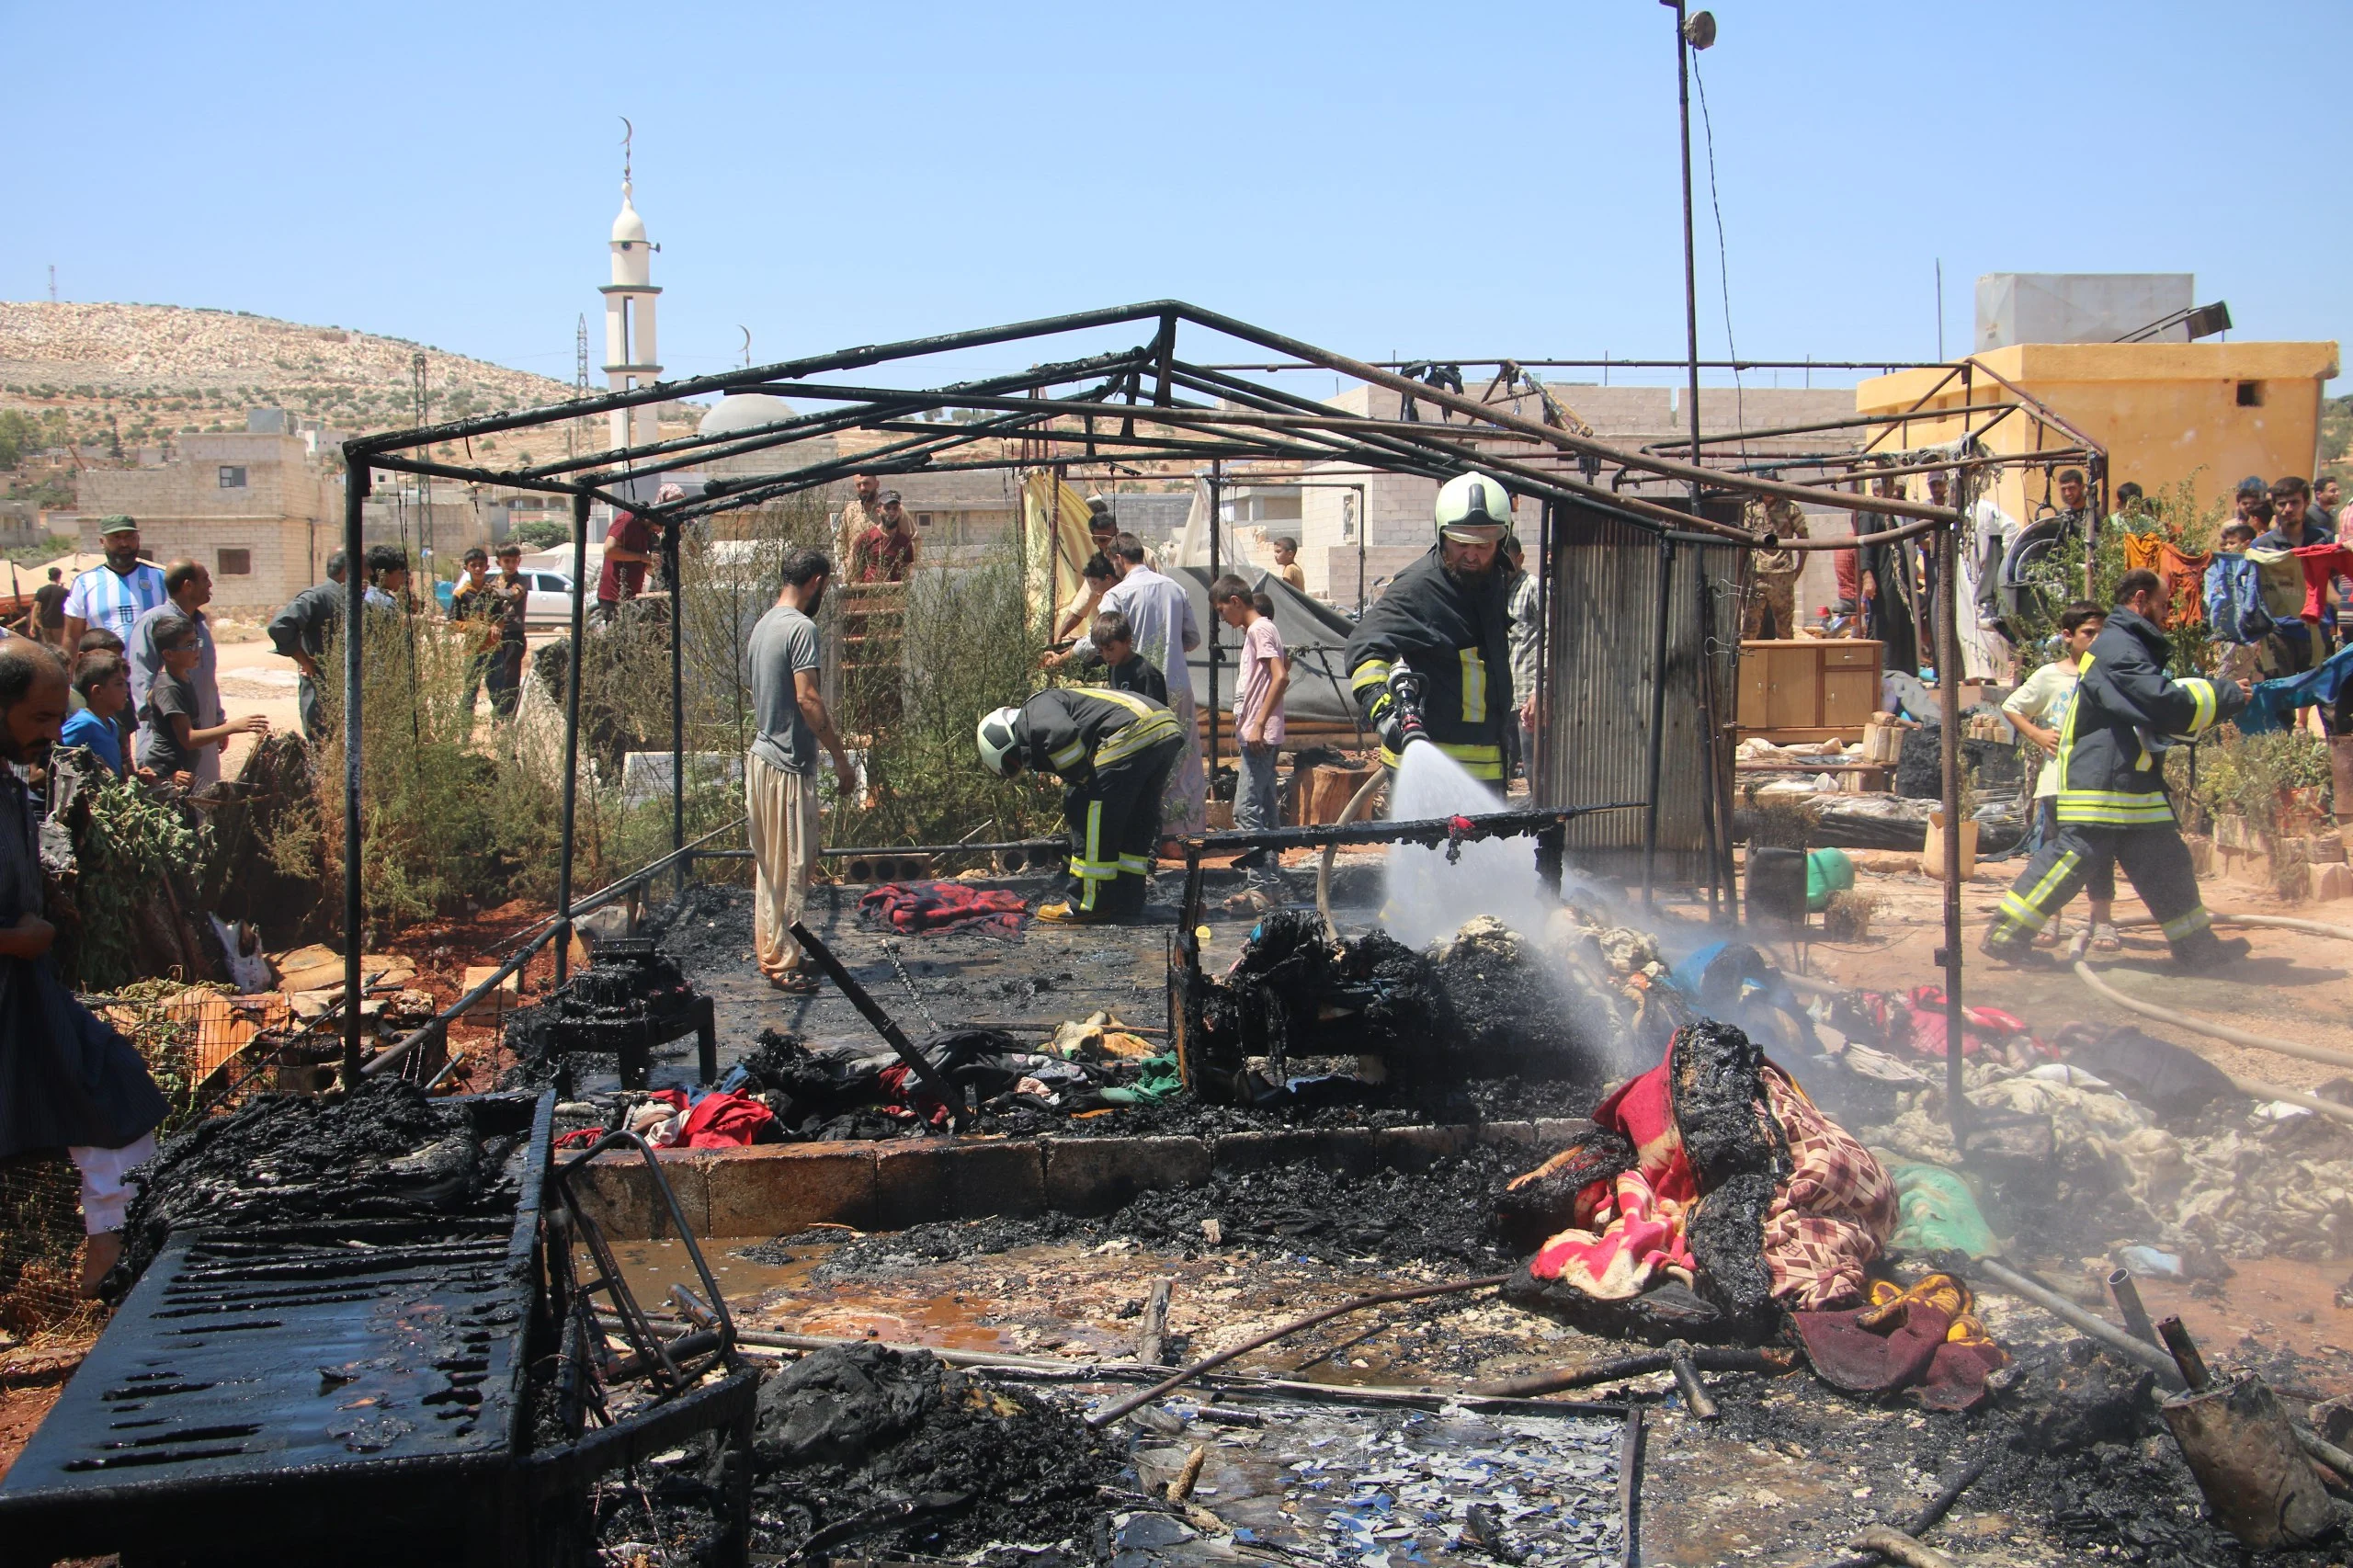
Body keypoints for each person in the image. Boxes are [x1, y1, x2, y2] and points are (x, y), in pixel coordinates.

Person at [0, 642, 172, 1294]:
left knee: (115, 1086)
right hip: (13, 973)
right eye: (39, 719)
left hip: (25, 988)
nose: (51, 734)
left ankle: (107, 1258)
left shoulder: (12, 775)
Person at [1982, 570, 2250, 973]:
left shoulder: (2124, 644)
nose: (2168, 613)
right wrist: (2225, 694)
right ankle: (2006, 936)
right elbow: (2156, 699)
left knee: (2164, 861)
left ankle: (2198, 950)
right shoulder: (2119, 648)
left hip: (2128, 776)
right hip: (2104, 780)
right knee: (2075, 857)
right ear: (2140, 600)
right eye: (2162, 604)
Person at [1345, 472, 1515, 783]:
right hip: (1430, 766)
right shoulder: (1417, 588)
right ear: (1441, 534)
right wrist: (1385, 713)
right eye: (1461, 543)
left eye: (1484, 545)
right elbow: (1362, 647)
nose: (1473, 555)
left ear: (1502, 540)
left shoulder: (1492, 582)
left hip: (1488, 762)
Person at [745, 549, 858, 994]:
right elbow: (808, 699)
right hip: (787, 766)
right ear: (815, 581)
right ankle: (781, 963)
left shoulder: (763, 625)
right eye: (824, 587)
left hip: (762, 759)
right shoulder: (800, 627)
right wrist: (840, 755)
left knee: (773, 865)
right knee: (794, 863)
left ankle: (779, 949)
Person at [975, 686, 1186, 923]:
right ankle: (1128, 900)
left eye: (1015, 759)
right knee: (1137, 819)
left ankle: (1085, 904)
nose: (1023, 764)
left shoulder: (1031, 710)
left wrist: (1081, 780)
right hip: (1165, 727)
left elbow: (1061, 734)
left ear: (1003, 737)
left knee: (1090, 812)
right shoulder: (1058, 702)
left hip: (1132, 730)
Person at [1061, 535, 1205, 835]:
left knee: (1142, 760)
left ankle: (1147, 834)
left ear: (1117, 559)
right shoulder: (1174, 588)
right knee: (1184, 757)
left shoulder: (1117, 595)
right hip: (1177, 684)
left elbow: (1096, 641)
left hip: (1137, 692)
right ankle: (1184, 832)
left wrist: (1064, 656)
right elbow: (1192, 639)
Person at [2002, 602, 2119, 953]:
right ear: (2067, 636)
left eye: (2102, 633)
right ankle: (2050, 917)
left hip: (2098, 784)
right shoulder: (2051, 676)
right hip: (2059, 782)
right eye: (2088, 633)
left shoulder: (2111, 673)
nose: (2096, 640)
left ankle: (2102, 921)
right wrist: (2036, 734)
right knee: (2056, 853)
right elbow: (2012, 706)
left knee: (2098, 853)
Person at [1214, 574, 1290, 911]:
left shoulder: (1260, 630)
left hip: (1260, 735)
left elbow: (1281, 675)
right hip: (1257, 733)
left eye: (1221, 612)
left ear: (1235, 601)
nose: (1223, 621)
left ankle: (1260, 885)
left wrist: (1258, 723)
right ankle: (1268, 888)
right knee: (1265, 811)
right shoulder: (1258, 632)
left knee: (1244, 811)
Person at [127, 561, 227, 788]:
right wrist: (165, 732)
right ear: (188, 586)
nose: (210, 584)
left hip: (201, 738)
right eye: (205, 579)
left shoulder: (200, 626)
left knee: (204, 803)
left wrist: (218, 721)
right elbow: (141, 680)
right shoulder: (153, 622)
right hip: (171, 743)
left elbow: (208, 681)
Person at [136, 615, 267, 788]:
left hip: (181, 771)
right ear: (168, 654)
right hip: (166, 773)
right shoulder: (170, 687)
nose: (196, 650)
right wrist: (233, 727)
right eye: (189, 645)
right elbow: (188, 739)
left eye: (196, 642)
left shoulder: (181, 677)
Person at [266, 551, 347, 741]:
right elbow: (280, 626)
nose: (369, 572)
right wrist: (305, 661)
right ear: (347, 569)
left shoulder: (351, 597)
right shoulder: (317, 597)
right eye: (365, 567)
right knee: (324, 753)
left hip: (342, 695)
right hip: (323, 694)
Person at [2258, 476, 2339, 667]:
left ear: (2306, 503)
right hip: (2279, 633)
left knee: (2317, 694)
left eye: (2294, 503)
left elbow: (2330, 585)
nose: (2287, 509)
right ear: (2274, 507)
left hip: (2318, 631)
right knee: (2281, 693)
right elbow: (2257, 594)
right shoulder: (2263, 546)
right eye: (2281, 504)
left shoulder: (2322, 539)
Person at [61, 516, 167, 649]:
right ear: (102, 542)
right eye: (116, 538)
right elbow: (72, 636)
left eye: (130, 537)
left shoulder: (160, 578)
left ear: (138, 540)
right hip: (105, 667)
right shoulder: (84, 583)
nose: (124, 544)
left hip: (152, 668)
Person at [1502, 535, 1541, 780]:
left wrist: (1539, 690)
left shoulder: (1532, 588)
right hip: (1506, 699)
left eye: (1508, 561)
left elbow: (1551, 637)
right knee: (1501, 770)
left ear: (1520, 559)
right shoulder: (1500, 590)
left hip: (1527, 700)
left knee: (1534, 770)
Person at [1742, 498, 1809, 641]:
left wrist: (1799, 569)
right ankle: (1747, 662)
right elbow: (1743, 540)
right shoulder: (1752, 507)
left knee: (1785, 628)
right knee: (1749, 627)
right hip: (1757, 575)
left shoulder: (1790, 508)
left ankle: (1786, 662)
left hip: (1782, 575)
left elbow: (1804, 540)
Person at [448, 547, 503, 719]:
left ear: (487, 567)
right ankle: (465, 730)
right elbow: (453, 622)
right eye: (474, 565)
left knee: (497, 690)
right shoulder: (461, 594)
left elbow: (501, 616)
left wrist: (497, 625)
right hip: (473, 650)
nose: (478, 569)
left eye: (481, 565)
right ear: (467, 568)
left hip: (494, 649)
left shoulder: (492, 593)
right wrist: (473, 627)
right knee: (470, 691)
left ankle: (499, 727)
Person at [60, 652, 132, 778]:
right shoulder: (83, 723)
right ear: (98, 691)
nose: (126, 689)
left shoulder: (111, 724)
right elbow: (56, 755)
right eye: (119, 684)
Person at [485, 542, 531, 722]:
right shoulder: (494, 582)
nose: (510, 565)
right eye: (507, 561)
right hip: (497, 635)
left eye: (514, 561)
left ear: (519, 561)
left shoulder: (521, 580)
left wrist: (493, 591)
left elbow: (514, 595)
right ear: (499, 562)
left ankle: (508, 716)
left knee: (511, 676)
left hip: (514, 634)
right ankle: (498, 714)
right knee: (495, 675)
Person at [1085, 608, 1167, 704]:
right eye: (1100, 650)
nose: (1106, 656)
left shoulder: (1146, 673)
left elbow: (1157, 712)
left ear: (1127, 641)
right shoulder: (1114, 667)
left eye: (1110, 649)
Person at [594, 506, 658, 622]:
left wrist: (652, 565)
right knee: (618, 635)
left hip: (631, 596)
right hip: (614, 595)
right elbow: (609, 550)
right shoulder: (628, 520)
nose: (659, 531)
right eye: (659, 526)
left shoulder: (645, 531)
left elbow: (637, 562)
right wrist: (643, 557)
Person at [851, 491, 918, 584]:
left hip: (895, 592)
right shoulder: (866, 538)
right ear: (878, 511)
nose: (891, 512)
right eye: (887, 508)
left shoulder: (905, 542)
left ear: (899, 512)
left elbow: (906, 571)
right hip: (868, 592)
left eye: (895, 509)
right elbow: (856, 570)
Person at [1053, 551, 1120, 646]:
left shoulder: (1113, 599)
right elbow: (1078, 610)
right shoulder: (1103, 590)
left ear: (1108, 579)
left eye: (1095, 583)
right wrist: (1058, 637)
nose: (1095, 591)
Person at [837, 472, 885, 561]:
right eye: (858, 485)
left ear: (877, 484)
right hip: (856, 571)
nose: (863, 488)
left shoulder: (891, 510)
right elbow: (840, 540)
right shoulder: (850, 511)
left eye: (866, 483)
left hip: (883, 571)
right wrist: (846, 561)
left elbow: (913, 539)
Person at [365, 544, 410, 610]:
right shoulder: (387, 602)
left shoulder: (368, 596)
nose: (405, 577)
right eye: (400, 573)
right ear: (384, 576)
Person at [32, 568, 67, 649]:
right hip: (59, 624)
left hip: (45, 624)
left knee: (48, 648)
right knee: (60, 647)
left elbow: (36, 607)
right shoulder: (64, 591)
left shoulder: (41, 590)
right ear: (59, 577)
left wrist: (32, 625)